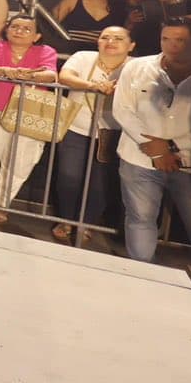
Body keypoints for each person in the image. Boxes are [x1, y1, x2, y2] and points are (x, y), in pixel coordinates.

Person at [111, 18, 191, 298]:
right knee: (140, 219)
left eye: (180, 40)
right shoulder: (137, 67)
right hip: (139, 157)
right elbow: (123, 110)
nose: (171, 46)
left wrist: (172, 146)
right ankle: (141, 277)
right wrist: (157, 149)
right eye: (166, 39)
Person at [0, 12, 60, 224]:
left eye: (26, 29)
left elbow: (49, 74)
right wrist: (8, 71)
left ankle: (1, 205)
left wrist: (25, 75)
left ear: (36, 36)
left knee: (21, 163)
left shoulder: (45, 51)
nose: (19, 31)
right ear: (7, 30)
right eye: (15, 27)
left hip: (28, 113)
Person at [50, 25, 130, 242]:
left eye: (118, 38)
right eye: (105, 37)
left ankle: (86, 223)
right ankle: (66, 220)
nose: (110, 42)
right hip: (76, 127)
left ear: (131, 45)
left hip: (113, 132)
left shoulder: (136, 66)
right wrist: (92, 86)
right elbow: (65, 76)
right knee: (68, 177)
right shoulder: (83, 56)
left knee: (100, 184)